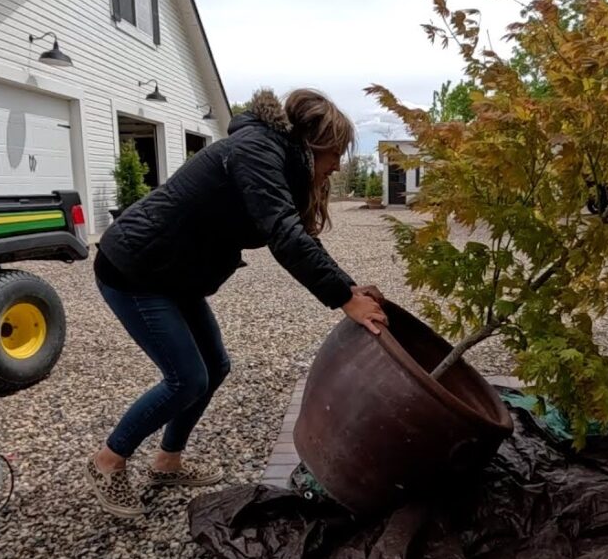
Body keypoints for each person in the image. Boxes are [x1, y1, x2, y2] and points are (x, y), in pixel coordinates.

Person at [87, 88, 387, 518]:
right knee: (186, 378)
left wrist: (349, 288)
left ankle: (167, 461)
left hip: (173, 274)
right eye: (335, 153)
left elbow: (299, 236)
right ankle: (108, 462)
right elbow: (285, 235)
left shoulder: (274, 157)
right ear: (311, 143)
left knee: (215, 366)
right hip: (135, 268)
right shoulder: (257, 150)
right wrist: (342, 299)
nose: (338, 165)